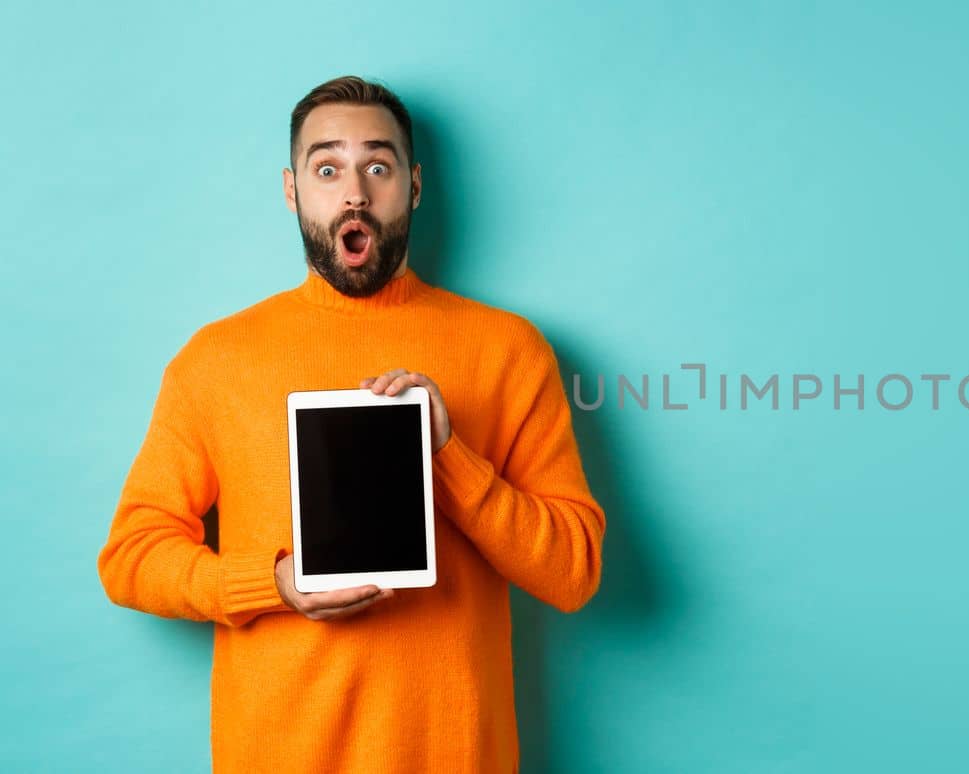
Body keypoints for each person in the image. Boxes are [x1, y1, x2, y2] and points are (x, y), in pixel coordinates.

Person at [96, 75, 606, 773]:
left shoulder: (509, 350)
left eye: (379, 165)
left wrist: (449, 455)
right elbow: (131, 557)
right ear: (292, 190)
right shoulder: (215, 360)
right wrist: (273, 584)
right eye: (327, 167)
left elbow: (572, 573)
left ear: (415, 186)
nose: (355, 192)